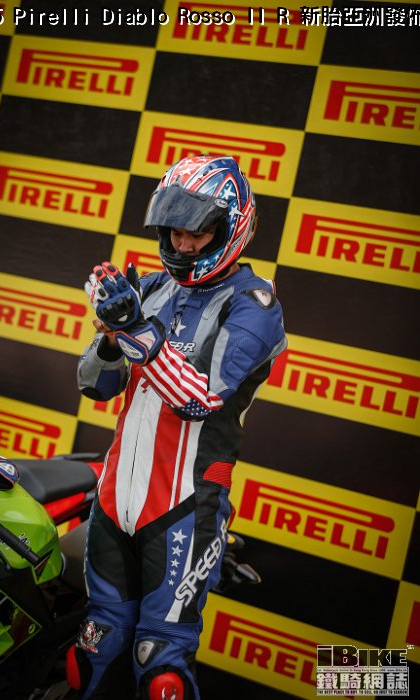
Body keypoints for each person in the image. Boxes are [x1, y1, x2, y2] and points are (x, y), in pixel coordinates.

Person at [74, 154, 287, 700]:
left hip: (186, 509)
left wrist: (135, 331)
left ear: (231, 228)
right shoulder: (151, 287)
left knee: (160, 664)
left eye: (198, 233)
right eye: (175, 232)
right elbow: (94, 385)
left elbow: (200, 399)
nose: (184, 244)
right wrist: (109, 338)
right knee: (94, 649)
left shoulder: (255, 305)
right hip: (115, 499)